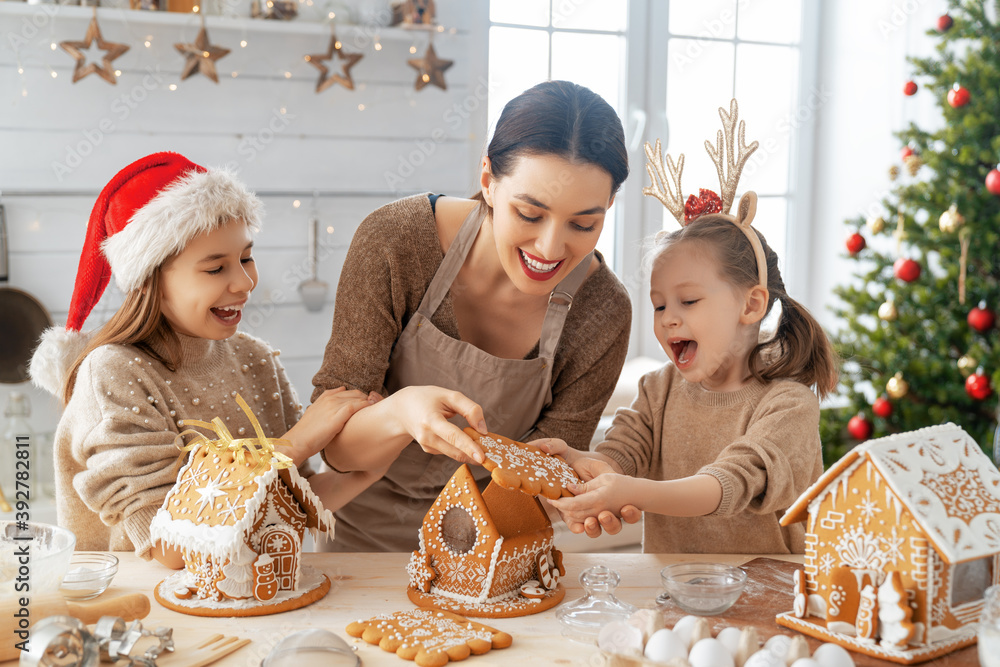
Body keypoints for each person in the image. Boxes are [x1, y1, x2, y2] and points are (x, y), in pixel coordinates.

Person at [312, 80, 632, 551]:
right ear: (488, 180)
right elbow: (336, 449)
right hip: (359, 544)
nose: (550, 248)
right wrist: (400, 412)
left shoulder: (602, 310)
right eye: (529, 213)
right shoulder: (398, 242)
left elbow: (536, 483)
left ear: (608, 207)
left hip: (493, 549)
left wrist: (577, 487)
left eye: (584, 224)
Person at [30, 152, 384, 567]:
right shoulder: (112, 371)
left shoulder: (253, 357)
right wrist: (296, 443)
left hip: (251, 601)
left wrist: (373, 465)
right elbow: (169, 548)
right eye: (216, 268)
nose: (245, 282)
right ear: (149, 281)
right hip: (149, 614)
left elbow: (291, 499)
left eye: (246, 258)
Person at [544, 189, 839, 554]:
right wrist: (580, 462)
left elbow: (731, 481)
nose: (668, 318)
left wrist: (632, 491)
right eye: (659, 305)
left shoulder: (790, 404)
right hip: (672, 593)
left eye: (689, 301)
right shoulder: (658, 389)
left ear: (751, 304)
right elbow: (620, 456)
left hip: (768, 596)